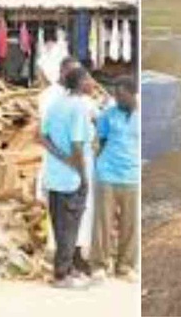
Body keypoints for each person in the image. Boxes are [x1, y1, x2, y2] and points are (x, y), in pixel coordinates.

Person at [40, 67, 95, 288]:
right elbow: (77, 145)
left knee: (59, 226)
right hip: (72, 179)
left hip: (54, 176)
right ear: (80, 83)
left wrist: (61, 157)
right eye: (89, 79)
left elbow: (43, 137)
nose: (92, 83)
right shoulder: (79, 107)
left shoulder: (55, 104)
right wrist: (82, 174)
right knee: (70, 228)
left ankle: (68, 268)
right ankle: (61, 275)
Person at [90, 75, 140, 282]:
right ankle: (99, 265)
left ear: (133, 94)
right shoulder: (107, 116)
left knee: (131, 225)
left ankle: (125, 266)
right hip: (107, 175)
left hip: (133, 176)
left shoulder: (141, 117)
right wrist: (98, 167)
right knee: (103, 223)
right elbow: (100, 143)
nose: (117, 98)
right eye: (115, 94)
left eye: (121, 95)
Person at [36, 57, 80, 255]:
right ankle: (56, 253)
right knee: (57, 209)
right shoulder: (49, 96)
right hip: (58, 159)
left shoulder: (73, 96)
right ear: (63, 72)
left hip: (72, 161)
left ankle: (68, 253)